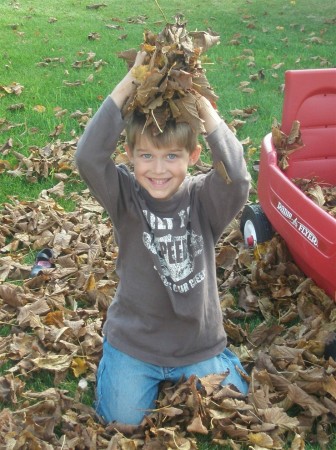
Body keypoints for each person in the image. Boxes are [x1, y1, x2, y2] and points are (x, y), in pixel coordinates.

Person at [75, 51, 250, 426]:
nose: (158, 169)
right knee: (122, 420)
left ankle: (221, 360)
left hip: (195, 343)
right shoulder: (125, 196)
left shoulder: (205, 200)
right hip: (136, 343)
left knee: (234, 405)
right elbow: (88, 157)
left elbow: (237, 177)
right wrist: (132, 82)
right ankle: (117, 365)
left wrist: (202, 105)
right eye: (146, 156)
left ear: (194, 154)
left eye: (172, 156)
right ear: (129, 155)